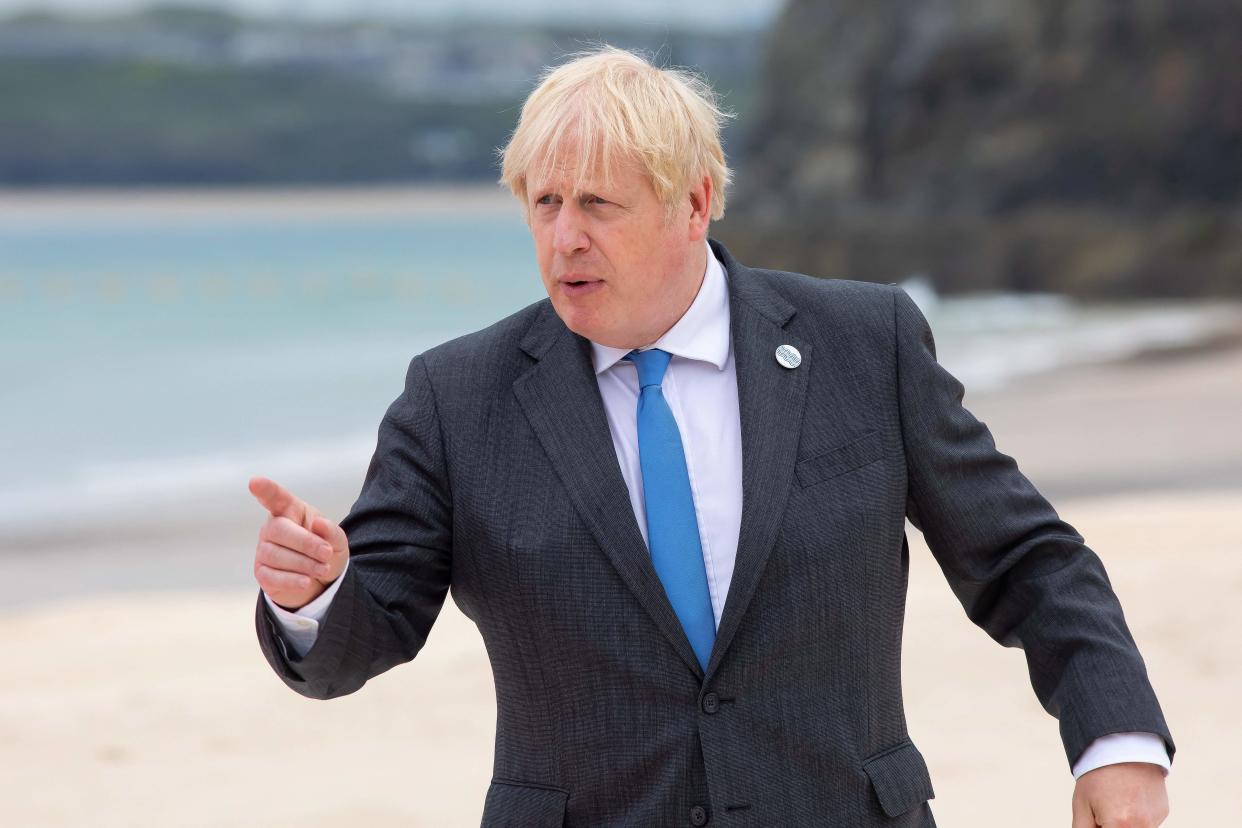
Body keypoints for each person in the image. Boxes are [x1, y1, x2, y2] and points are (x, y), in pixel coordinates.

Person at [249, 46, 1174, 826]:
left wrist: (1115, 738)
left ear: (693, 205)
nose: (563, 238)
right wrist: (318, 594)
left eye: (597, 206)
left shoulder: (863, 345)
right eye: (543, 204)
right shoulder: (458, 396)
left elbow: (1027, 561)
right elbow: (363, 635)